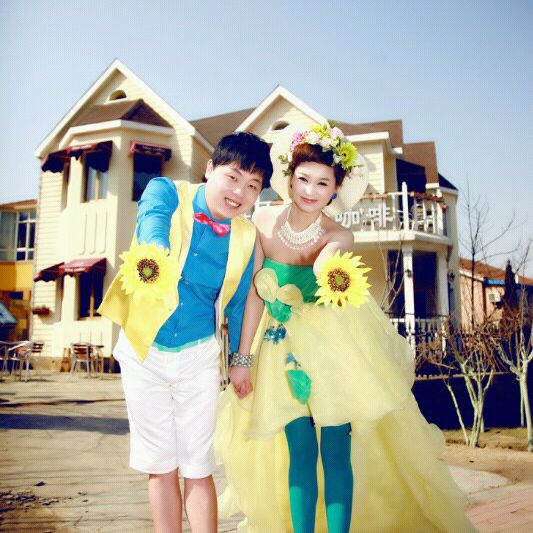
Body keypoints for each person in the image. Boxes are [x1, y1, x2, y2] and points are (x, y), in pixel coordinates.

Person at [215, 124, 476, 532]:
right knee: (300, 448)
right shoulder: (262, 220)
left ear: (335, 190)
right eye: (304, 178)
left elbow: (329, 264)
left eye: (323, 183)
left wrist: (325, 264)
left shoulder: (339, 235)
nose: (310, 190)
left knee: (335, 447)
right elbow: (255, 294)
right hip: (280, 347)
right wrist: (243, 358)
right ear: (290, 178)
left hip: (329, 349)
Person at [97, 131, 273, 533]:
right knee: (160, 465)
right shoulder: (166, 191)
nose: (239, 192)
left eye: (252, 186)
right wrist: (156, 253)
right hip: (144, 349)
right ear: (209, 169)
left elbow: (241, 304)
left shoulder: (246, 237)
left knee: (197, 464)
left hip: (198, 355)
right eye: (232, 177)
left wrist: (241, 361)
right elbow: (152, 222)